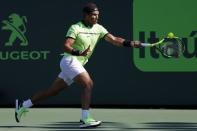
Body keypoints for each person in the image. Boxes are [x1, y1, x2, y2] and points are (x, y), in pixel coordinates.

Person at [15, 2, 141, 128]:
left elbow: (114, 40)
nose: (96, 17)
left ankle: (23, 105)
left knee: (52, 91)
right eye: (93, 15)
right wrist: (78, 52)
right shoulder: (76, 28)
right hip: (70, 60)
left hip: (77, 64)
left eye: (97, 15)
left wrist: (130, 43)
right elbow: (66, 46)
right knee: (88, 84)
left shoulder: (99, 28)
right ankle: (85, 118)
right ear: (86, 15)